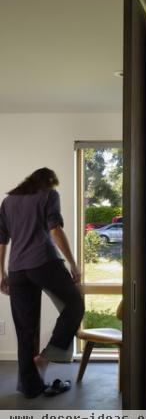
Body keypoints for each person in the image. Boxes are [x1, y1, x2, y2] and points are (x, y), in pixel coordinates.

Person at [0, 168, 84, 398]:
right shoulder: (48, 195)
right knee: (75, 304)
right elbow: (55, 230)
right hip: (43, 262)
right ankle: (46, 358)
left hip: (17, 270)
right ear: (48, 182)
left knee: (25, 330)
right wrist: (73, 264)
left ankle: (30, 387)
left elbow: (2, 240)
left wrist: (1, 272)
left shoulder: (8, 202)